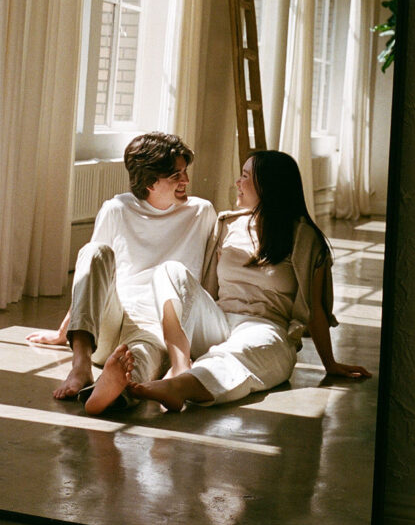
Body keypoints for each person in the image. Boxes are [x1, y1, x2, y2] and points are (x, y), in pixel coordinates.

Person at [122, 150, 371, 412]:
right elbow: (206, 289)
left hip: (266, 328)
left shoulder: (304, 237)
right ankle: (180, 365)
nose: (237, 183)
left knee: (237, 354)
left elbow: (315, 310)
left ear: (268, 184)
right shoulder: (227, 224)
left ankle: (179, 387)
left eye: (245, 176)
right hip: (219, 320)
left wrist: (330, 364)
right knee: (169, 270)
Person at [27, 132, 217, 414]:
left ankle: (112, 391)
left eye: (185, 172)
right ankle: (81, 367)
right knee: (94, 251)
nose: (186, 181)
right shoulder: (117, 209)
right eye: (176, 175)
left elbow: (209, 282)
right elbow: (90, 275)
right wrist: (64, 330)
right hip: (111, 321)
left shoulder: (201, 213)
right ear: (151, 181)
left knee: (139, 360)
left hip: (157, 327)